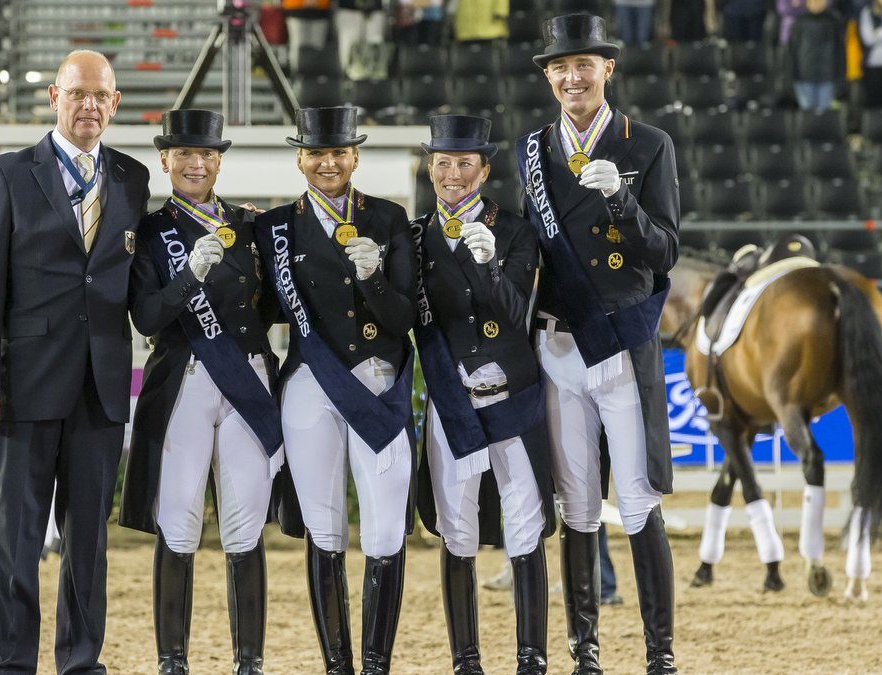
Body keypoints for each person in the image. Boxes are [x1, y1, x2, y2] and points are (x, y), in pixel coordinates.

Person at [0, 49, 151, 673]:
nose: (90, 105)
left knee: (88, 541)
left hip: (100, 387)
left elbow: (135, 273)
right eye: (78, 94)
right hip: (24, 386)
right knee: (17, 536)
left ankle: (81, 660)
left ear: (115, 104)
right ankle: (9, 662)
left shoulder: (131, 178)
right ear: (54, 98)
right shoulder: (9, 174)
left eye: (101, 96)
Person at [517, 13, 680, 674]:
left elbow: (665, 248)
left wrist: (622, 206)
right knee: (578, 505)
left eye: (583, 63)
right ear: (550, 76)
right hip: (558, 348)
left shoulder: (649, 145)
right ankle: (586, 653)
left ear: (607, 68)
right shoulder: (531, 150)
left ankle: (658, 652)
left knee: (638, 500)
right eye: (560, 66)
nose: (571, 75)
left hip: (620, 343)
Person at [118, 109, 282, 675]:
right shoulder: (152, 233)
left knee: (243, 522)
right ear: (165, 161)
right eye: (185, 155)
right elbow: (146, 316)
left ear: (219, 160)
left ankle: (249, 662)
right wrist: (189, 275)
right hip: (184, 380)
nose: (196, 164)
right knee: (180, 521)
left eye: (207, 154)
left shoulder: (248, 225)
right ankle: (172, 660)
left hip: (245, 383)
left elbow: (267, 307)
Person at [255, 106, 417, 675]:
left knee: (384, 527)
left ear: (355, 156)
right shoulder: (273, 227)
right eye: (317, 153)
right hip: (311, 384)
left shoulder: (392, 220)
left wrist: (373, 277)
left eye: (339, 152)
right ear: (300, 157)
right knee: (324, 527)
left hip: (377, 382)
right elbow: (261, 307)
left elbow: (404, 321)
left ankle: (376, 664)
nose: (329, 162)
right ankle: (337, 665)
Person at [410, 114, 555, 674]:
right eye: (443, 163)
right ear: (431, 167)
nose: (453, 174)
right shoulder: (415, 237)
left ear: (484, 169)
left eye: (464, 163)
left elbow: (518, 314)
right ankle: (465, 660)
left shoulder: (516, 230)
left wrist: (490, 262)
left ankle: (531, 659)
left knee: (526, 524)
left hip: (512, 398)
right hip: (454, 402)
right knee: (457, 528)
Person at [788, 0, 846, 113]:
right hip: (804, 76)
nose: (816, 4)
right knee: (807, 117)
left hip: (828, 76)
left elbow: (840, 52)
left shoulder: (834, 21)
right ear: (808, 3)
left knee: (824, 115)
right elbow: (792, 52)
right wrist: (791, 76)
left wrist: (840, 76)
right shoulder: (800, 22)